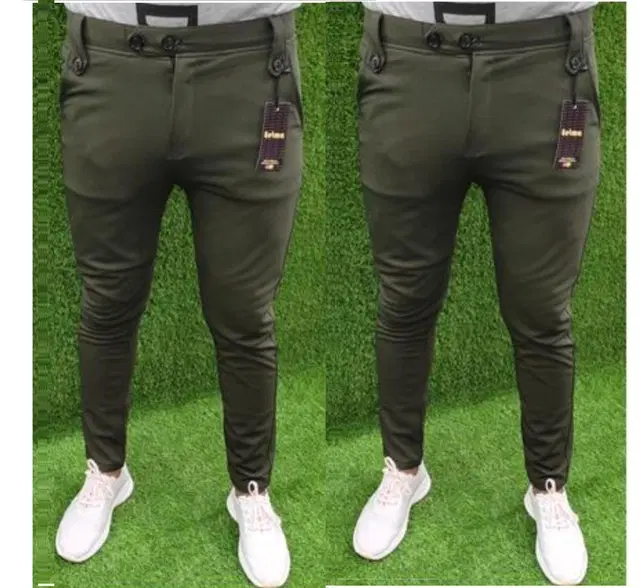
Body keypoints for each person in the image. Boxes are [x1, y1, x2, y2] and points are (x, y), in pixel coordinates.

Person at [54, 3, 303, 587]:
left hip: (248, 73)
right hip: (110, 67)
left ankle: (251, 490)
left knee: (244, 313)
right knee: (107, 301)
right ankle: (106, 471)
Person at [352, 2, 600, 585]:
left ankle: (548, 487)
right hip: (409, 66)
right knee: (404, 300)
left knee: (542, 311)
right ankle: (403, 468)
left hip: (545, 69)